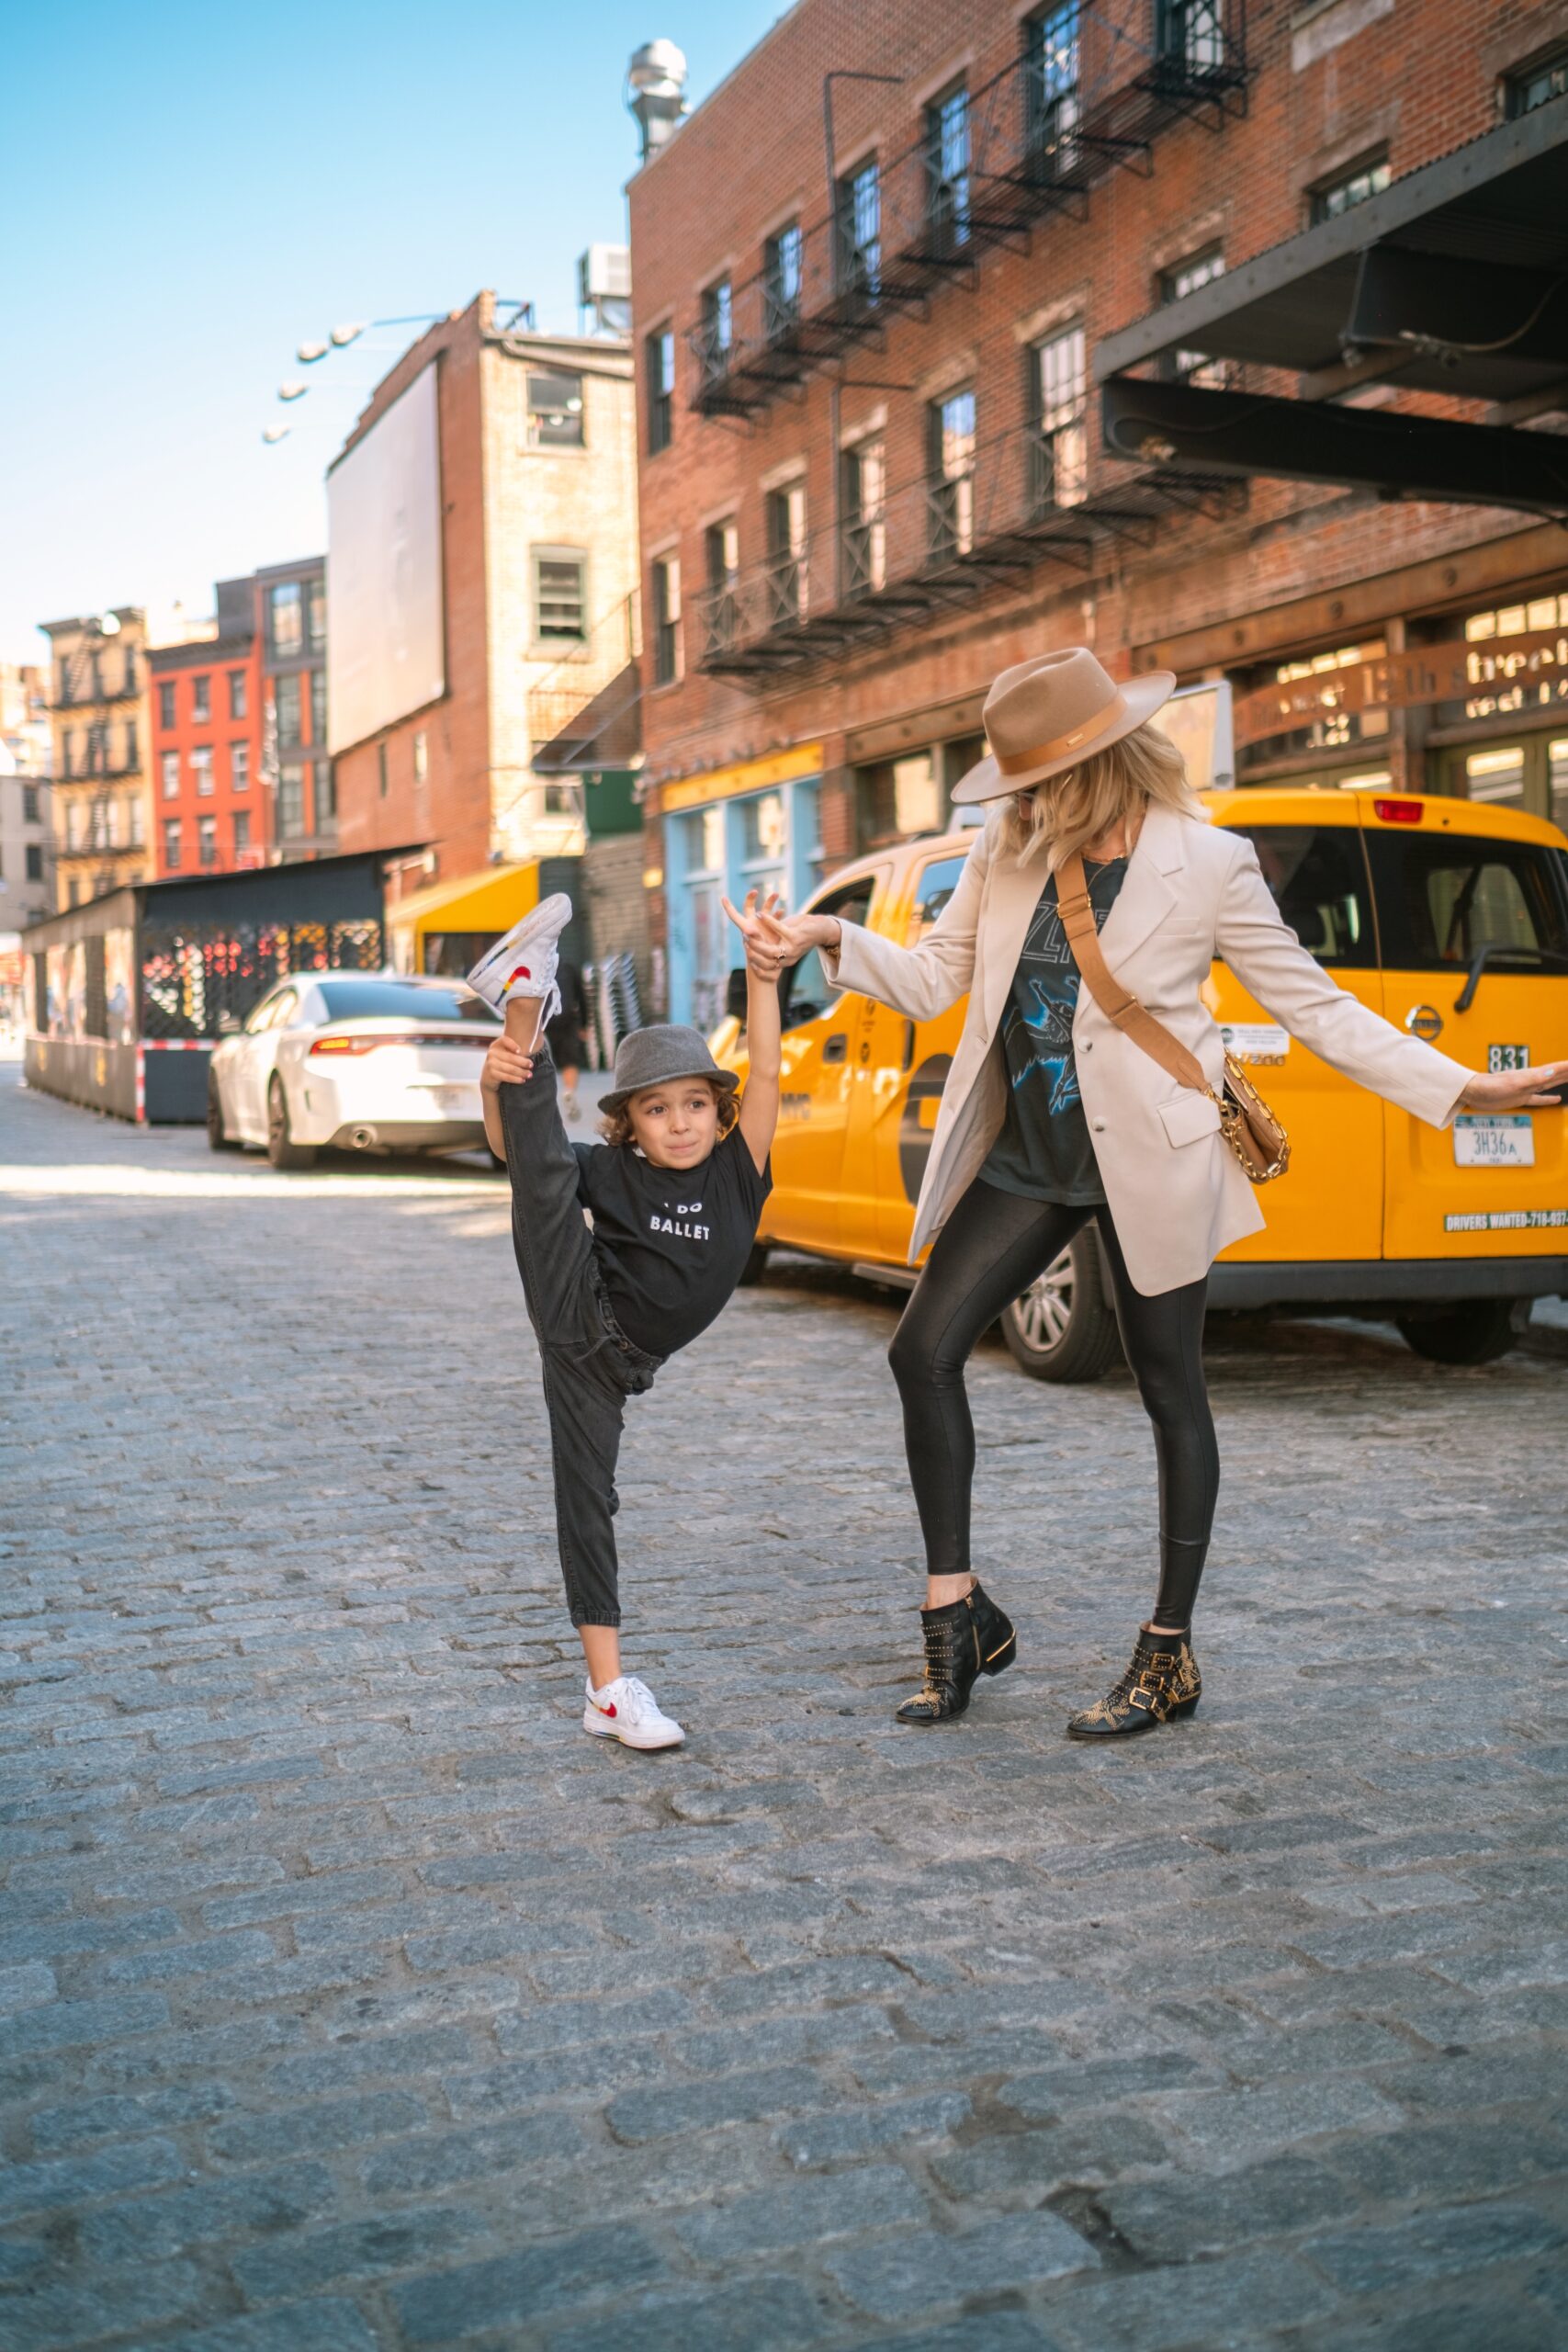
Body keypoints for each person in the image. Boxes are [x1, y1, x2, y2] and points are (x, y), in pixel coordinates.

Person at [761, 648, 1568, 1738]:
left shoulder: (1211, 863)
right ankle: (958, 1616)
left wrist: (1471, 1086)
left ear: (1094, 766)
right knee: (924, 1349)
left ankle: (1167, 1652)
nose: (1024, 802)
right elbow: (934, 979)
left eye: (1038, 782)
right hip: (1029, 1157)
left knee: (1170, 1392)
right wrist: (826, 936)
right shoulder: (1007, 849)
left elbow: (1316, 1010)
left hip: (1154, 1153)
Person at [471, 890, 784, 1750]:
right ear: (630, 1126)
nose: (678, 1123)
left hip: (617, 1369)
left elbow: (765, 1061)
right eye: (655, 1109)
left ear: (718, 1112)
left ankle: (525, 995)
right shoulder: (613, 1172)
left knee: (591, 1498)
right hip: (584, 1313)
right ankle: (527, 1000)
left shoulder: (738, 1171)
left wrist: (764, 971)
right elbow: (514, 1152)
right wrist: (493, 1081)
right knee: (539, 1182)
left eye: (692, 1104)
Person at [547, 955, 592, 1123]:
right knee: (570, 1062)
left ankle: (548, 1098)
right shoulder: (568, 967)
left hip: (545, 1023)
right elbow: (581, 997)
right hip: (568, 1021)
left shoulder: (537, 969)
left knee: (546, 1062)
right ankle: (569, 1091)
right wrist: (584, 1025)